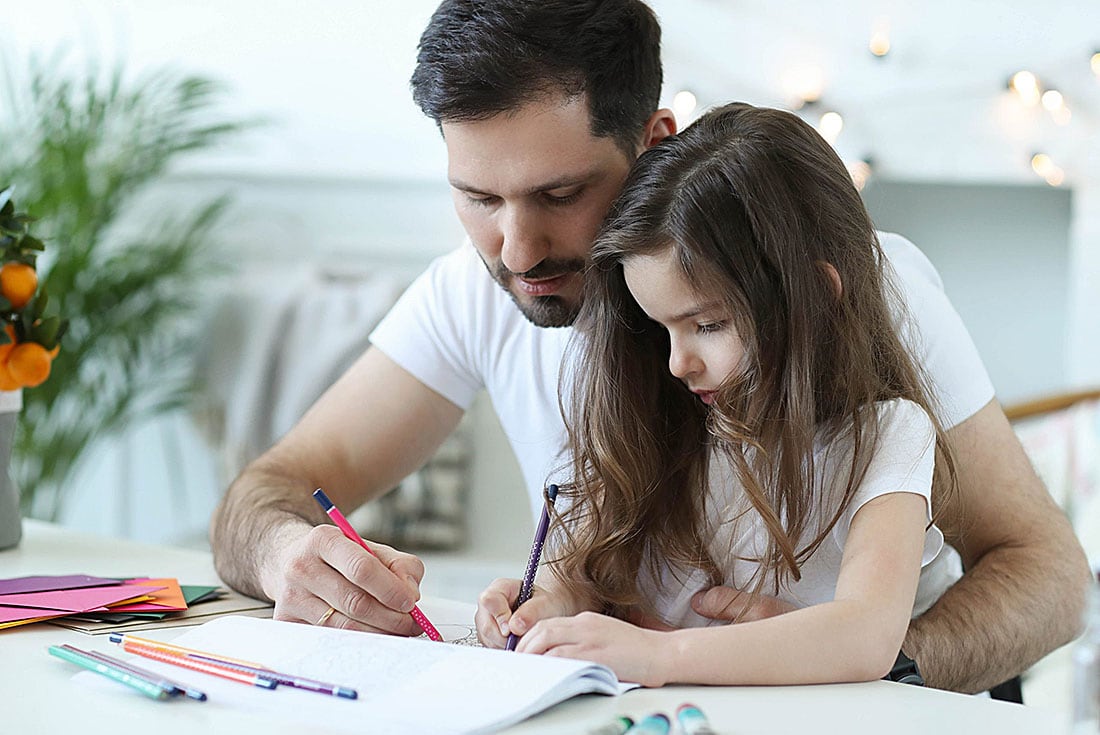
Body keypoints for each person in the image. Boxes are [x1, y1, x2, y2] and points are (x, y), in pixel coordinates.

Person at [210, 0, 1088, 694]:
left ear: (653, 143)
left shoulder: (859, 290)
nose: (516, 251)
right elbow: (269, 490)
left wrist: (855, 671)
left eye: (560, 192)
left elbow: (1048, 574)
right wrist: (288, 555)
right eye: (477, 197)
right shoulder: (474, 295)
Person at [476, 102, 962, 686]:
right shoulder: (663, 419)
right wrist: (546, 604)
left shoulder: (889, 434)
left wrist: (660, 657)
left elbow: (865, 636)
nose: (678, 363)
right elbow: (576, 567)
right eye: (661, 328)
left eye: (707, 325)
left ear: (812, 296)